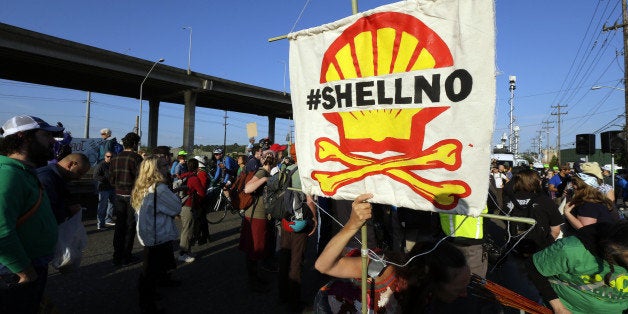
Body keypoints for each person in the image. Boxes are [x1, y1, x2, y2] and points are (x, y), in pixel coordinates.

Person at [314, 193, 471, 313]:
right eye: (459, 289)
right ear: (431, 279)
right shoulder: (385, 270)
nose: (465, 294)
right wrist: (352, 225)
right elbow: (323, 265)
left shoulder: (431, 291)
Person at [0, 115, 63, 314]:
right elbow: (1, 230)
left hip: (30, 264)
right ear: (23, 137)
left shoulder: (23, 171)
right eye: (46, 135)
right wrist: (24, 270)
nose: (52, 141)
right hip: (16, 270)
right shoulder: (8, 174)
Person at [527, 221, 628, 313]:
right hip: (569, 309)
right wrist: (559, 308)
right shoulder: (573, 249)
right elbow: (534, 267)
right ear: (615, 248)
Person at [131, 156, 182, 314]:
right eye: (165, 165)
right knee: (150, 271)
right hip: (157, 233)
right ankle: (148, 305)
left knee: (151, 267)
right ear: (156, 169)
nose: (168, 167)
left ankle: (150, 296)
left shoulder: (141, 186)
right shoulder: (159, 189)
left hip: (146, 232)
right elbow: (175, 207)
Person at [277, 145, 318, 312]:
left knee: (284, 255)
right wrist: (314, 218)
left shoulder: (286, 168)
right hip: (299, 222)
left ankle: (282, 294)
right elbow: (309, 200)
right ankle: (294, 302)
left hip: (285, 218)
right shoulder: (304, 173)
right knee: (297, 260)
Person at [239, 149, 276, 292]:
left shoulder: (264, 171)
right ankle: (253, 281)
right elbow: (248, 189)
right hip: (256, 215)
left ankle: (254, 278)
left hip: (257, 215)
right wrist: (265, 180)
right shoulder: (262, 173)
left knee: (255, 248)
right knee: (254, 248)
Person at [109, 132, 144, 266]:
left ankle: (116, 256)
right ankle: (126, 256)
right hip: (132, 195)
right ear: (135, 144)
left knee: (119, 225)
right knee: (130, 226)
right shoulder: (136, 158)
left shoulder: (115, 158)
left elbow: (111, 178)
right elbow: (140, 179)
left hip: (118, 194)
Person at [36, 153, 91, 225]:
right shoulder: (47, 178)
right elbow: (45, 213)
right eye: (79, 173)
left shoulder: (57, 177)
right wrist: (69, 211)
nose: (79, 178)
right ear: (71, 164)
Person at [178, 158, 205, 263]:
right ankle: (183, 253)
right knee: (187, 230)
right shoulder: (194, 178)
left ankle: (187, 251)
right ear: (197, 167)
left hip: (182, 204)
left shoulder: (184, 176)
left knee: (187, 229)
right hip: (189, 205)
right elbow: (202, 193)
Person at [93, 151, 116, 229]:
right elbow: (95, 176)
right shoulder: (101, 165)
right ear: (105, 156)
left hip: (112, 188)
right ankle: (100, 224)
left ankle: (108, 219)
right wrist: (106, 179)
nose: (109, 158)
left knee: (112, 204)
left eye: (111, 156)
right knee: (102, 206)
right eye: (108, 156)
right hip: (103, 189)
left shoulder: (113, 165)